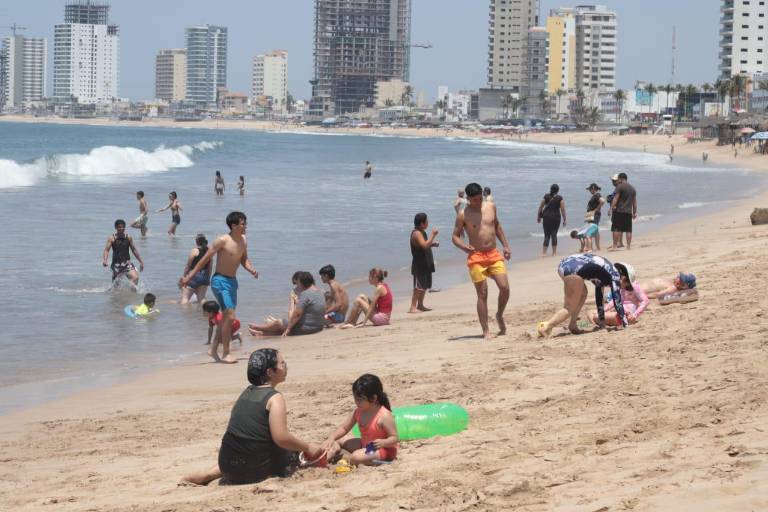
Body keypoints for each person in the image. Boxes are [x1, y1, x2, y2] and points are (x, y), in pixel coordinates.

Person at [182, 349, 323, 485]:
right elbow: (281, 438)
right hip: (253, 470)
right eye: (282, 364)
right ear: (270, 372)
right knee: (292, 452)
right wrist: (308, 447)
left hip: (226, 464)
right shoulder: (274, 398)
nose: (286, 367)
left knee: (247, 443)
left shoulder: (246, 392)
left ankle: (209, 474)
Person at [180, 211, 259, 364]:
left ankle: (213, 348)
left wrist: (251, 269)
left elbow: (244, 259)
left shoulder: (243, 240)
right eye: (243, 224)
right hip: (219, 280)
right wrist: (189, 276)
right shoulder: (222, 240)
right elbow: (204, 259)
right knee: (229, 315)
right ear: (234, 226)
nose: (245, 227)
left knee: (226, 317)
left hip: (232, 282)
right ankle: (226, 353)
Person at [452, 182, 511, 339]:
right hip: (476, 257)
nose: (477, 202)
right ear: (468, 199)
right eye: (474, 200)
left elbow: (497, 226)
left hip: (493, 254)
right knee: (482, 293)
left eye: (479, 199)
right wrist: (465, 247)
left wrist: (506, 246)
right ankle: (486, 331)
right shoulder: (463, 214)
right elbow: (455, 236)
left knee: (504, 287)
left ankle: (499, 314)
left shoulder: (491, 206)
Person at [537, 253, 628, 337]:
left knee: (583, 294)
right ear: (623, 277)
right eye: (627, 286)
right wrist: (625, 323)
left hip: (565, 264)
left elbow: (599, 297)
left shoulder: (606, 271)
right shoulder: (615, 275)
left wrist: (601, 322)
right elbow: (617, 300)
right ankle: (546, 327)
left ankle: (573, 324)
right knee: (569, 307)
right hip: (572, 270)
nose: (624, 288)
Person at [322, 374, 398, 466]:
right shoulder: (359, 412)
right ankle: (324, 458)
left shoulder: (384, 416)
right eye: (355, 398)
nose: (356, 402)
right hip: (365, 444)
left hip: (382, 450)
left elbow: (394, 438)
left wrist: (383, 442)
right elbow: (344, 428)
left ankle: (376, 461)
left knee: (355, 457)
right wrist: (331, 438)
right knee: (338, 439)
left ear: (374, 398)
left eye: (360, 400)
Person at [249, 271, 326, 337]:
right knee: (283, 329)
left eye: (298, 283)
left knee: (279, 322)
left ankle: (258, 327)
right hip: (318, 327)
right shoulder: (320, 291)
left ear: (303, 283)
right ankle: (260, 334)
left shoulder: (306, 294)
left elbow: (297, 314)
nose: (297, 286)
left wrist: (288, 328)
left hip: (307, 328)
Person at [409, 213, 439, 313]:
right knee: (419, 287)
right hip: (419, 264)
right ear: (422, 223)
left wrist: (432, 244)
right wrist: (433, 235)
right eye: (427, 221)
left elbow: (424, 245)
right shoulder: (416, 233)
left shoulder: (422, 232)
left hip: (426, 262)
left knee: (424, 286)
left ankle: (420, 305)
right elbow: (424, 245)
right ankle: (412, 307)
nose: (428, 223)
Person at [102, 219, 144, 287]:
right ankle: (115, 295)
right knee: (115, 287)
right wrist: (105, 260)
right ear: (116, 228)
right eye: (119, 227)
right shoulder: (112, 238)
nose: (121, 229)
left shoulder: (128, 237)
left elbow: (134, 250)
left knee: (135, 278)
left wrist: (141, 262)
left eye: (123, 227)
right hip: (116, 264)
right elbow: (106, 250)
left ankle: (132, 294)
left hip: (127, 263)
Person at [179, 234, 212, 305]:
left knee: (185, 297)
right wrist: (208, 279)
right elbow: (210, 267)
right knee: (202, 298)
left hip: (193, 275)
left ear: (197, 242)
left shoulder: (194, 251)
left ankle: (185, 314)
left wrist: (184, 276)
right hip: (204, 276)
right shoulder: (209, 252)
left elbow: (188, 266)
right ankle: (204, 313)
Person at [609, 172, 637, 251]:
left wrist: (611, 207)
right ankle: (628, 246)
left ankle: (614, 246)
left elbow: (616, 198)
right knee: (628, 230)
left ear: (621, 178)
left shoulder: (620, 186)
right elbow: (634, 202)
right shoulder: (633, 188)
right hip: (628, 212)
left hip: (619, 210)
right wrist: (634, 212)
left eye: (618, 179)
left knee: (616, 228)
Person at [537, 184, 567, 257]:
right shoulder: (560, 198)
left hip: (546, 217)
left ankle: (544, 253)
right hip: (556, 218)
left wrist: (538, 217)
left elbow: (540, 207)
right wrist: (564, 219)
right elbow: (562, 209)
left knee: (547, 235)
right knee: (554, 234)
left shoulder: (546, 196)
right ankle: (554, 253)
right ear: (558, 190)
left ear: (550, 189)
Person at [585, 183, 605, 250]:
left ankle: (590, 247)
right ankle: (597, 247)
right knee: (595, 230)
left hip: (593, 214)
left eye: (590, 189)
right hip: (591, 214)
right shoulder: (595, 195)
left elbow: (602, 201)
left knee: (590, 230)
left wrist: (596, 209)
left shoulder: (597, 195)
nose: (589, 191)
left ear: (593, 189)